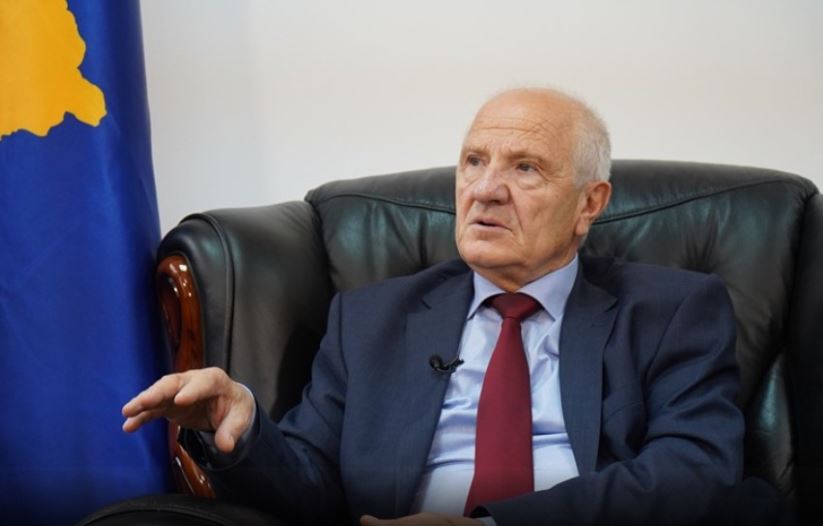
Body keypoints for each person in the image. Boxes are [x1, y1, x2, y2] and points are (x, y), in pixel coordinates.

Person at [123, 88, 743, 526]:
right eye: (474, 161)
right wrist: (243, 426)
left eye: (526, 168)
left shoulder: (671, 309)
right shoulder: (371, 319)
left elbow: (695, 469)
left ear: (590, 203)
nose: (485, 190)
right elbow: (310, 485)